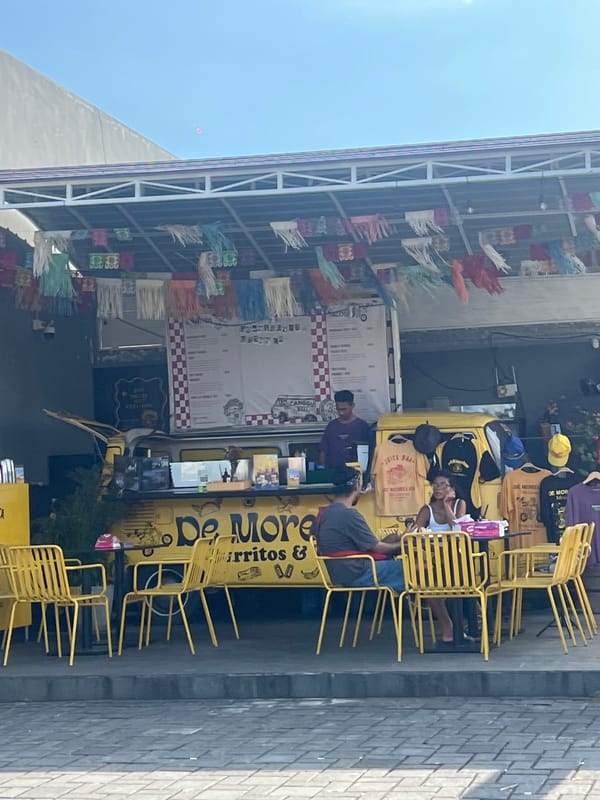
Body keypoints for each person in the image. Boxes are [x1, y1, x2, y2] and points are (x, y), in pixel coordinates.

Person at [314, 467, 454, 642]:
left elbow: (363, 545)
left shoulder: (325, 513)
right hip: (358, 571)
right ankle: (449, 629)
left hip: (340, 570)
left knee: (400, 546)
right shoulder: (349, 515)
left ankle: (449, 624)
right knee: (426, 571)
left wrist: (397, 539)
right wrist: (404, 542)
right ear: (356, 486)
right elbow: (378, 548)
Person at [319, 390, 371, 467]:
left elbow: (370, 452)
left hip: (356, 471)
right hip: (333, 471)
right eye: (338, 409)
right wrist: (323, 468)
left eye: (344, 409)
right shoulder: (331, 426)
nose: (341, 413)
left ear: (352, 405)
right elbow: (323, 451)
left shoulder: (362, 426)